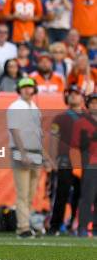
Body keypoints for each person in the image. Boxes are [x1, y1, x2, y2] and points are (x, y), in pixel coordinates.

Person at [7, 77, 53, 238]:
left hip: (35, 152)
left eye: (30, 87)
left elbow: (38, 135)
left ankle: (26, 224)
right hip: (23, 152)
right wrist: (23, 153)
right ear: (19, 90)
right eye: (24, 87)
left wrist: (46, 157)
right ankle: (23, 227)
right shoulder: (16, 106)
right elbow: (14, 130)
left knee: (31, 193)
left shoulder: (34, 107)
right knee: (23, 192)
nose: (27, 90)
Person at [47, 86, 84, 235]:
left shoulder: (89, 117)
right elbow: (53, 139)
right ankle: (55, 226)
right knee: (61, 193)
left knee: (81, 195)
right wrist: (51, 159)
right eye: (70, 94)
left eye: (76, 94)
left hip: (84, 162)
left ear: (82, 98)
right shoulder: (60, 118)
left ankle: (74, 224)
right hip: (65, 160)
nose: (73, 97)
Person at [71, 93, 96, 237]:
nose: (95, 105)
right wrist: (77, 167)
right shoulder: (81, 122)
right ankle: (82, 227)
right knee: (87, 197)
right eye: (92, 103)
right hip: (89, 164)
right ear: (87, 104)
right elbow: (74, 146)